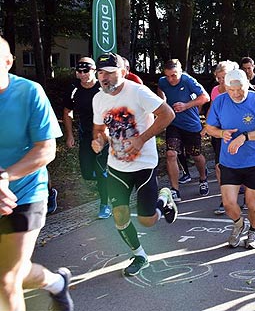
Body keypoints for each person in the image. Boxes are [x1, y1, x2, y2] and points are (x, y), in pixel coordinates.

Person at [0, 36, 73, 311]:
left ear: (8, 62)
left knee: (7, 279)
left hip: (26, 193)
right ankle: (56, 283)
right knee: (14, 271)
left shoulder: (30, 92)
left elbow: (46, 150)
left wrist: (5, 177)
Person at [91, 52, 178, 277]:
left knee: (147, 220)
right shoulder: (98, 98)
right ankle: (140, 255)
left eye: (109, 73)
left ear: (122, 72)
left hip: (143, 164)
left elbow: (167, 115)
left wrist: (141, 139)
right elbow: (99, 129)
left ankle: (164, 198)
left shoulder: (138, 91)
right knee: (119, 215)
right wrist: (99, 141)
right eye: (100, 73)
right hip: (116, 165)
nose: (104, 78)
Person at [204, 69, 255, 250]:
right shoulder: (220, 101)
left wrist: (244, 137)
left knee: (252, 203)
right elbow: (209, 127)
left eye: (239, 89)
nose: (235, 93)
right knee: (228, 203)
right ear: (225, 87)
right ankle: (238, 224)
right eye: (231, 90)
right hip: (229, 161)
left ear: (247, 85)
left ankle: (253, 231)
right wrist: (221, 133)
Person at [63, 57, 111, 219]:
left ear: (94, 71)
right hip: (85, 136)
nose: (82, 74)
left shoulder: (103, 87)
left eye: (86, 70)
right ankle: (108, 184)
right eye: (79, 71)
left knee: (100, 169)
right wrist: (69, 135)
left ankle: (104, 204)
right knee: (87, 173)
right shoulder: (73, 89)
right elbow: (67, 111)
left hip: (103, 136)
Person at [157, 59, 210, 200]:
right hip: (173, 124)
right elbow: (160, 89)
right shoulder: (163, 81)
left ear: (181, 72)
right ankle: (175, 189)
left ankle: (203, 179)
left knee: (196, 155)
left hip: (191, 125)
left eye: (174, 75)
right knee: (171, 154)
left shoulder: (188, 81)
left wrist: (186, 105)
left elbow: (205, 97)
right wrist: (163, 105)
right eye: (167, 76)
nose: (170, 79)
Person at [203, 60, 240, 215]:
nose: (221, 81)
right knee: (220, 166)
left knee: (238, 166)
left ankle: (240, 195)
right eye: (218, 78)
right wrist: (207, 126)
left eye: (224, 77)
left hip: (238, 133)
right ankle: (224, 198)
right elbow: (212, 108)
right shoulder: (215, 91)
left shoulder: (240, 89)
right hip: (220, 132)